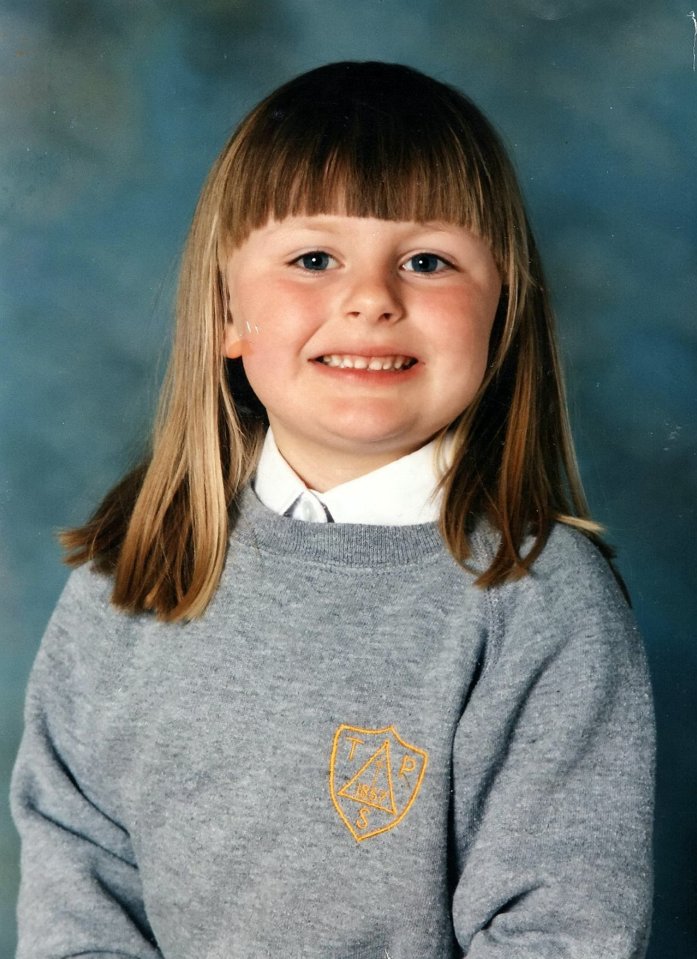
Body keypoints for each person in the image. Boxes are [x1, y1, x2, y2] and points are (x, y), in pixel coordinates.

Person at [11, 61, 655, 958]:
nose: (371, 299)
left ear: (500, 310)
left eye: (427, 261)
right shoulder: (131, 573)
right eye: (314, 258)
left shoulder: (540, 604)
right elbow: (77, 885)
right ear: (227, 312)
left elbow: (560, 929)